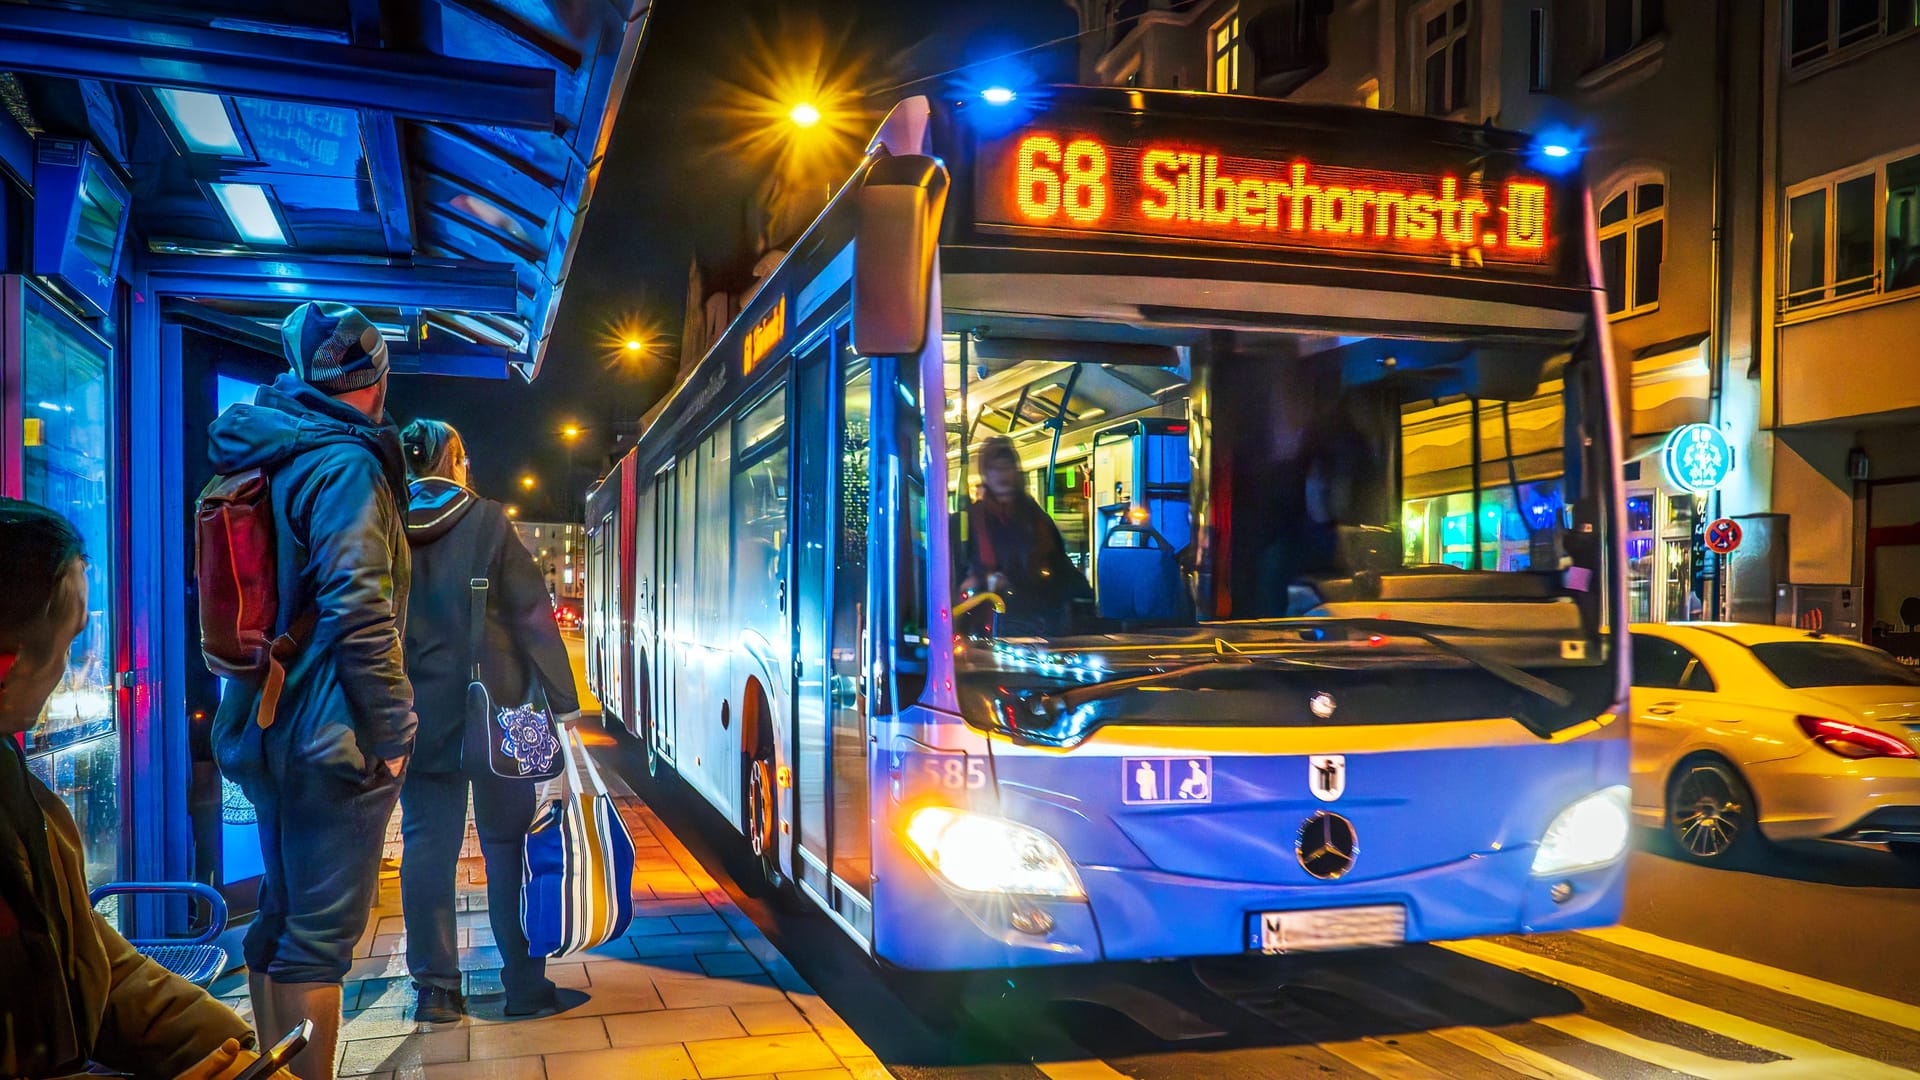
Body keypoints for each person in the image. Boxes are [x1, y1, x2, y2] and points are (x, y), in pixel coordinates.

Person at [0, 499, 290, 1079]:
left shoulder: (13, 778)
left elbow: (87, 965)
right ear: (9, 659)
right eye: (68, 640)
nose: (71, 667)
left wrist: (228, 1048)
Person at [207, 301, 416, 1080]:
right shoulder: (347, 464)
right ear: (378, 378)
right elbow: (361, 611)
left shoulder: (265, 450)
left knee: (279, 919)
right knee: (318, 943)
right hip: (327, 739)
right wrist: (394, 736)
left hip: (263, 725)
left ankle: (272, 1074)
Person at [396, 420, 582, 1023]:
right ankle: (525, 985)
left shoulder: (385, 523)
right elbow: (532, 613)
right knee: (508, 846)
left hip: (417, 714)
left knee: (428, 846)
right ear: (454, 461)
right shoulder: (488, 522)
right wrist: (562, 699)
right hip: (496, 712)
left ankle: (437, 991)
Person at [958, 435, 1090, 635]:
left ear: (1016, 470)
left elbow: (1061, 572)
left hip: (1037, 626)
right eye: (995, 468)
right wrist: (981, 582)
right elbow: (956, 577)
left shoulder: (1038, 521)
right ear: (985, 473)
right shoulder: (967, 522)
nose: (1002, 474)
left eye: (1007, 466)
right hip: (984, 630)